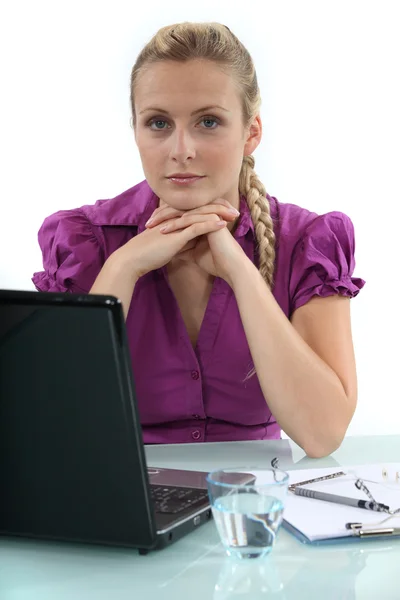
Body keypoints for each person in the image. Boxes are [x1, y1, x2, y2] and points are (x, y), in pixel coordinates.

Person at [33, 22, 365, 458]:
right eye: (158, 123)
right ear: (134, 129)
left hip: (258, 502)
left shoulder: (307, 241)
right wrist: (123, 268)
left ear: (251, 133)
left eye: (208, 121)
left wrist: (240, 271)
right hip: (127, 497)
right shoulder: (85, 243)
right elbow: (57, 426)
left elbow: (322, 435)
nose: (181, 149)